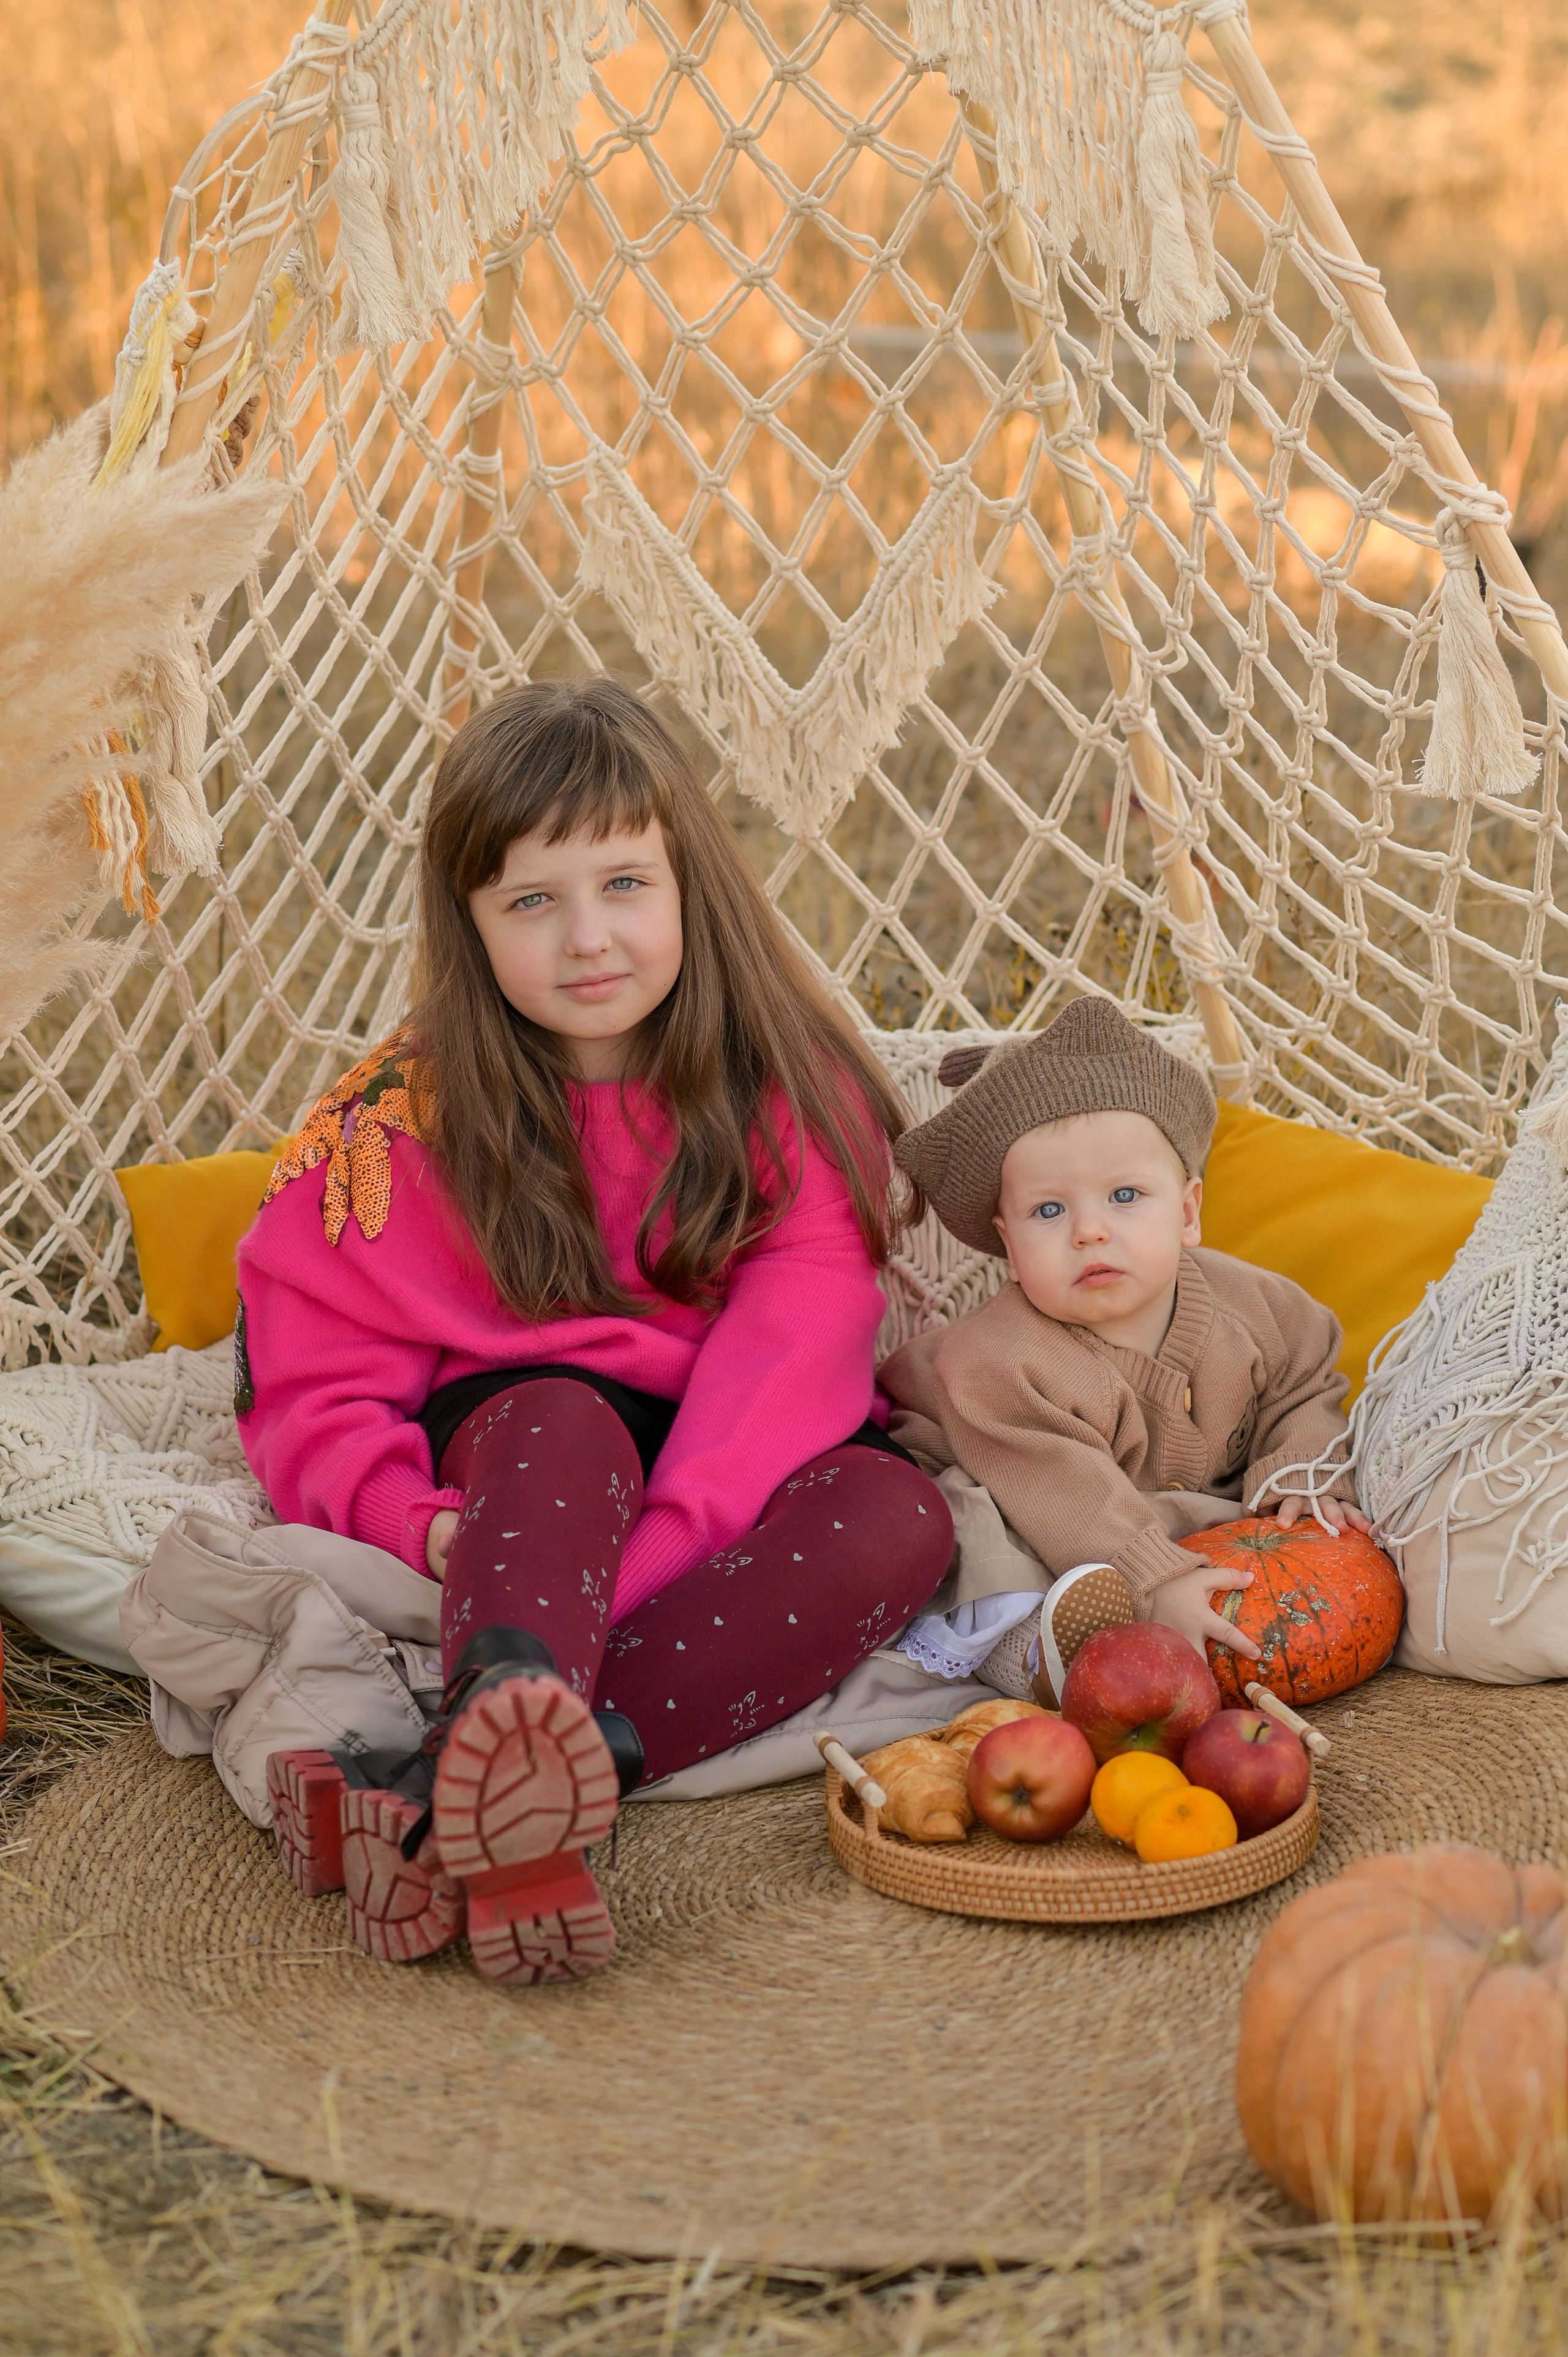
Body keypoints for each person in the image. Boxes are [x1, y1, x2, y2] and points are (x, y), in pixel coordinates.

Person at [235, 679, 953, 1983]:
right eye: (530, 900)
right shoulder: (399, 1123)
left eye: (625, 883)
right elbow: (308, 1387)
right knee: (562, 1425)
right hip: (530, 1463)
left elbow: (792, 1355)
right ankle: (512, 1759)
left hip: (733, 1463)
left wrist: (643, 1557)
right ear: (467, 923)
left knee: (901, 1519)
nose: (587, 939)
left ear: (690, 885)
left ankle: (440, 1786)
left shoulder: (786, 1086)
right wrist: (423, 1529)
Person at [878, 998, 1368, 1703]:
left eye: (1126, 1195)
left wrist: (1299, 1465)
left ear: (1189, 1211)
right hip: (1002, 1471)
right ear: (1008, 1249)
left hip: (1143, 1505)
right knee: (975, 1534)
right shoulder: (996, 1361)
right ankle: (1030, 1652)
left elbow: (1304, 1383)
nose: (1089, 1231)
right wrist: (1157, 1577)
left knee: (1216, 1521)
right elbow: (1061, 1489)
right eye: (1049, 1211)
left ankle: (1105, 1593)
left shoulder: (1261, 1309)